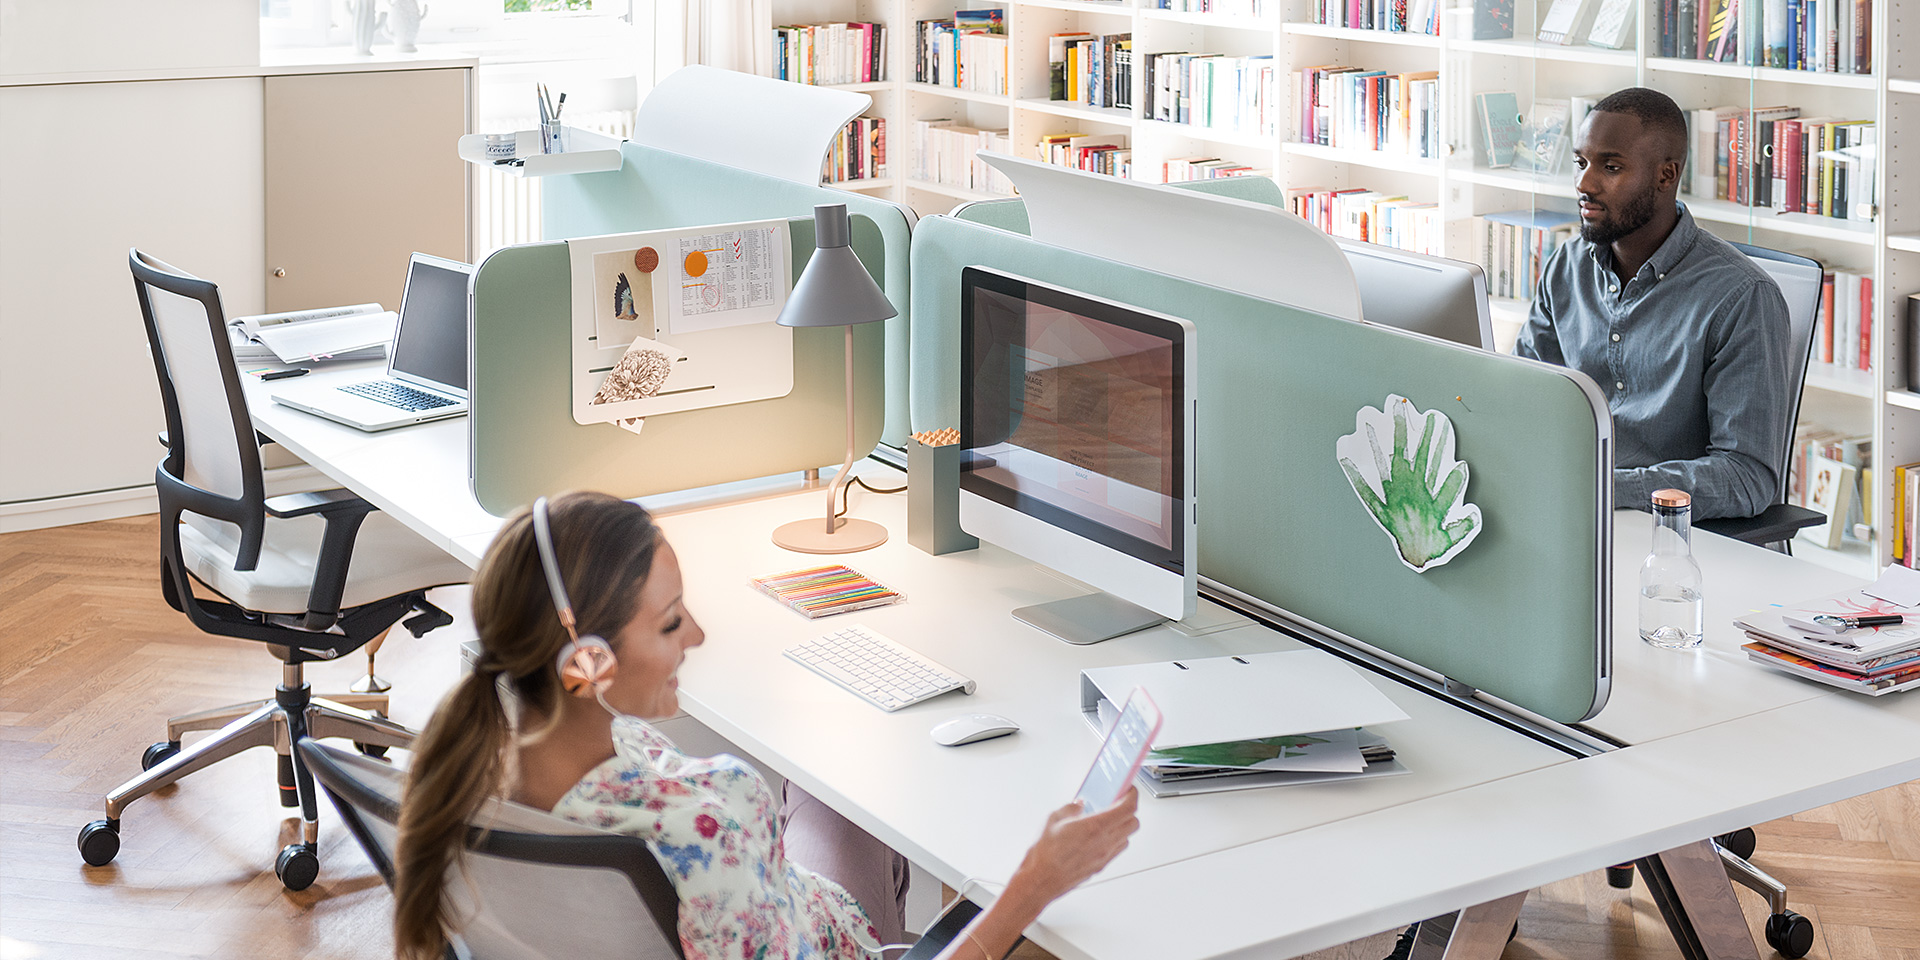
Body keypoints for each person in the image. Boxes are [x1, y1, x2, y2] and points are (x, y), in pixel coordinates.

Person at [392, 491, 1140, 960]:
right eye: (671, 623)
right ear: (588, 661)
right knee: (1060, 930)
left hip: (784, 905)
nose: (698, 639)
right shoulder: (707, 823)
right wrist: (1032, 888)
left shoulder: (470, 768)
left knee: (838, 778)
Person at [1514, 86, 1792, 520]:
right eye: (1581, 163)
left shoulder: (1742, 297)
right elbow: (1526, 399)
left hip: (1674, 537)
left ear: (1666, 176)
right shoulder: (1566, 266)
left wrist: (1606, 488)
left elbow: (1746, 477)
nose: (1585, 184)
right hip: (1570, 510)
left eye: (1610, 167)